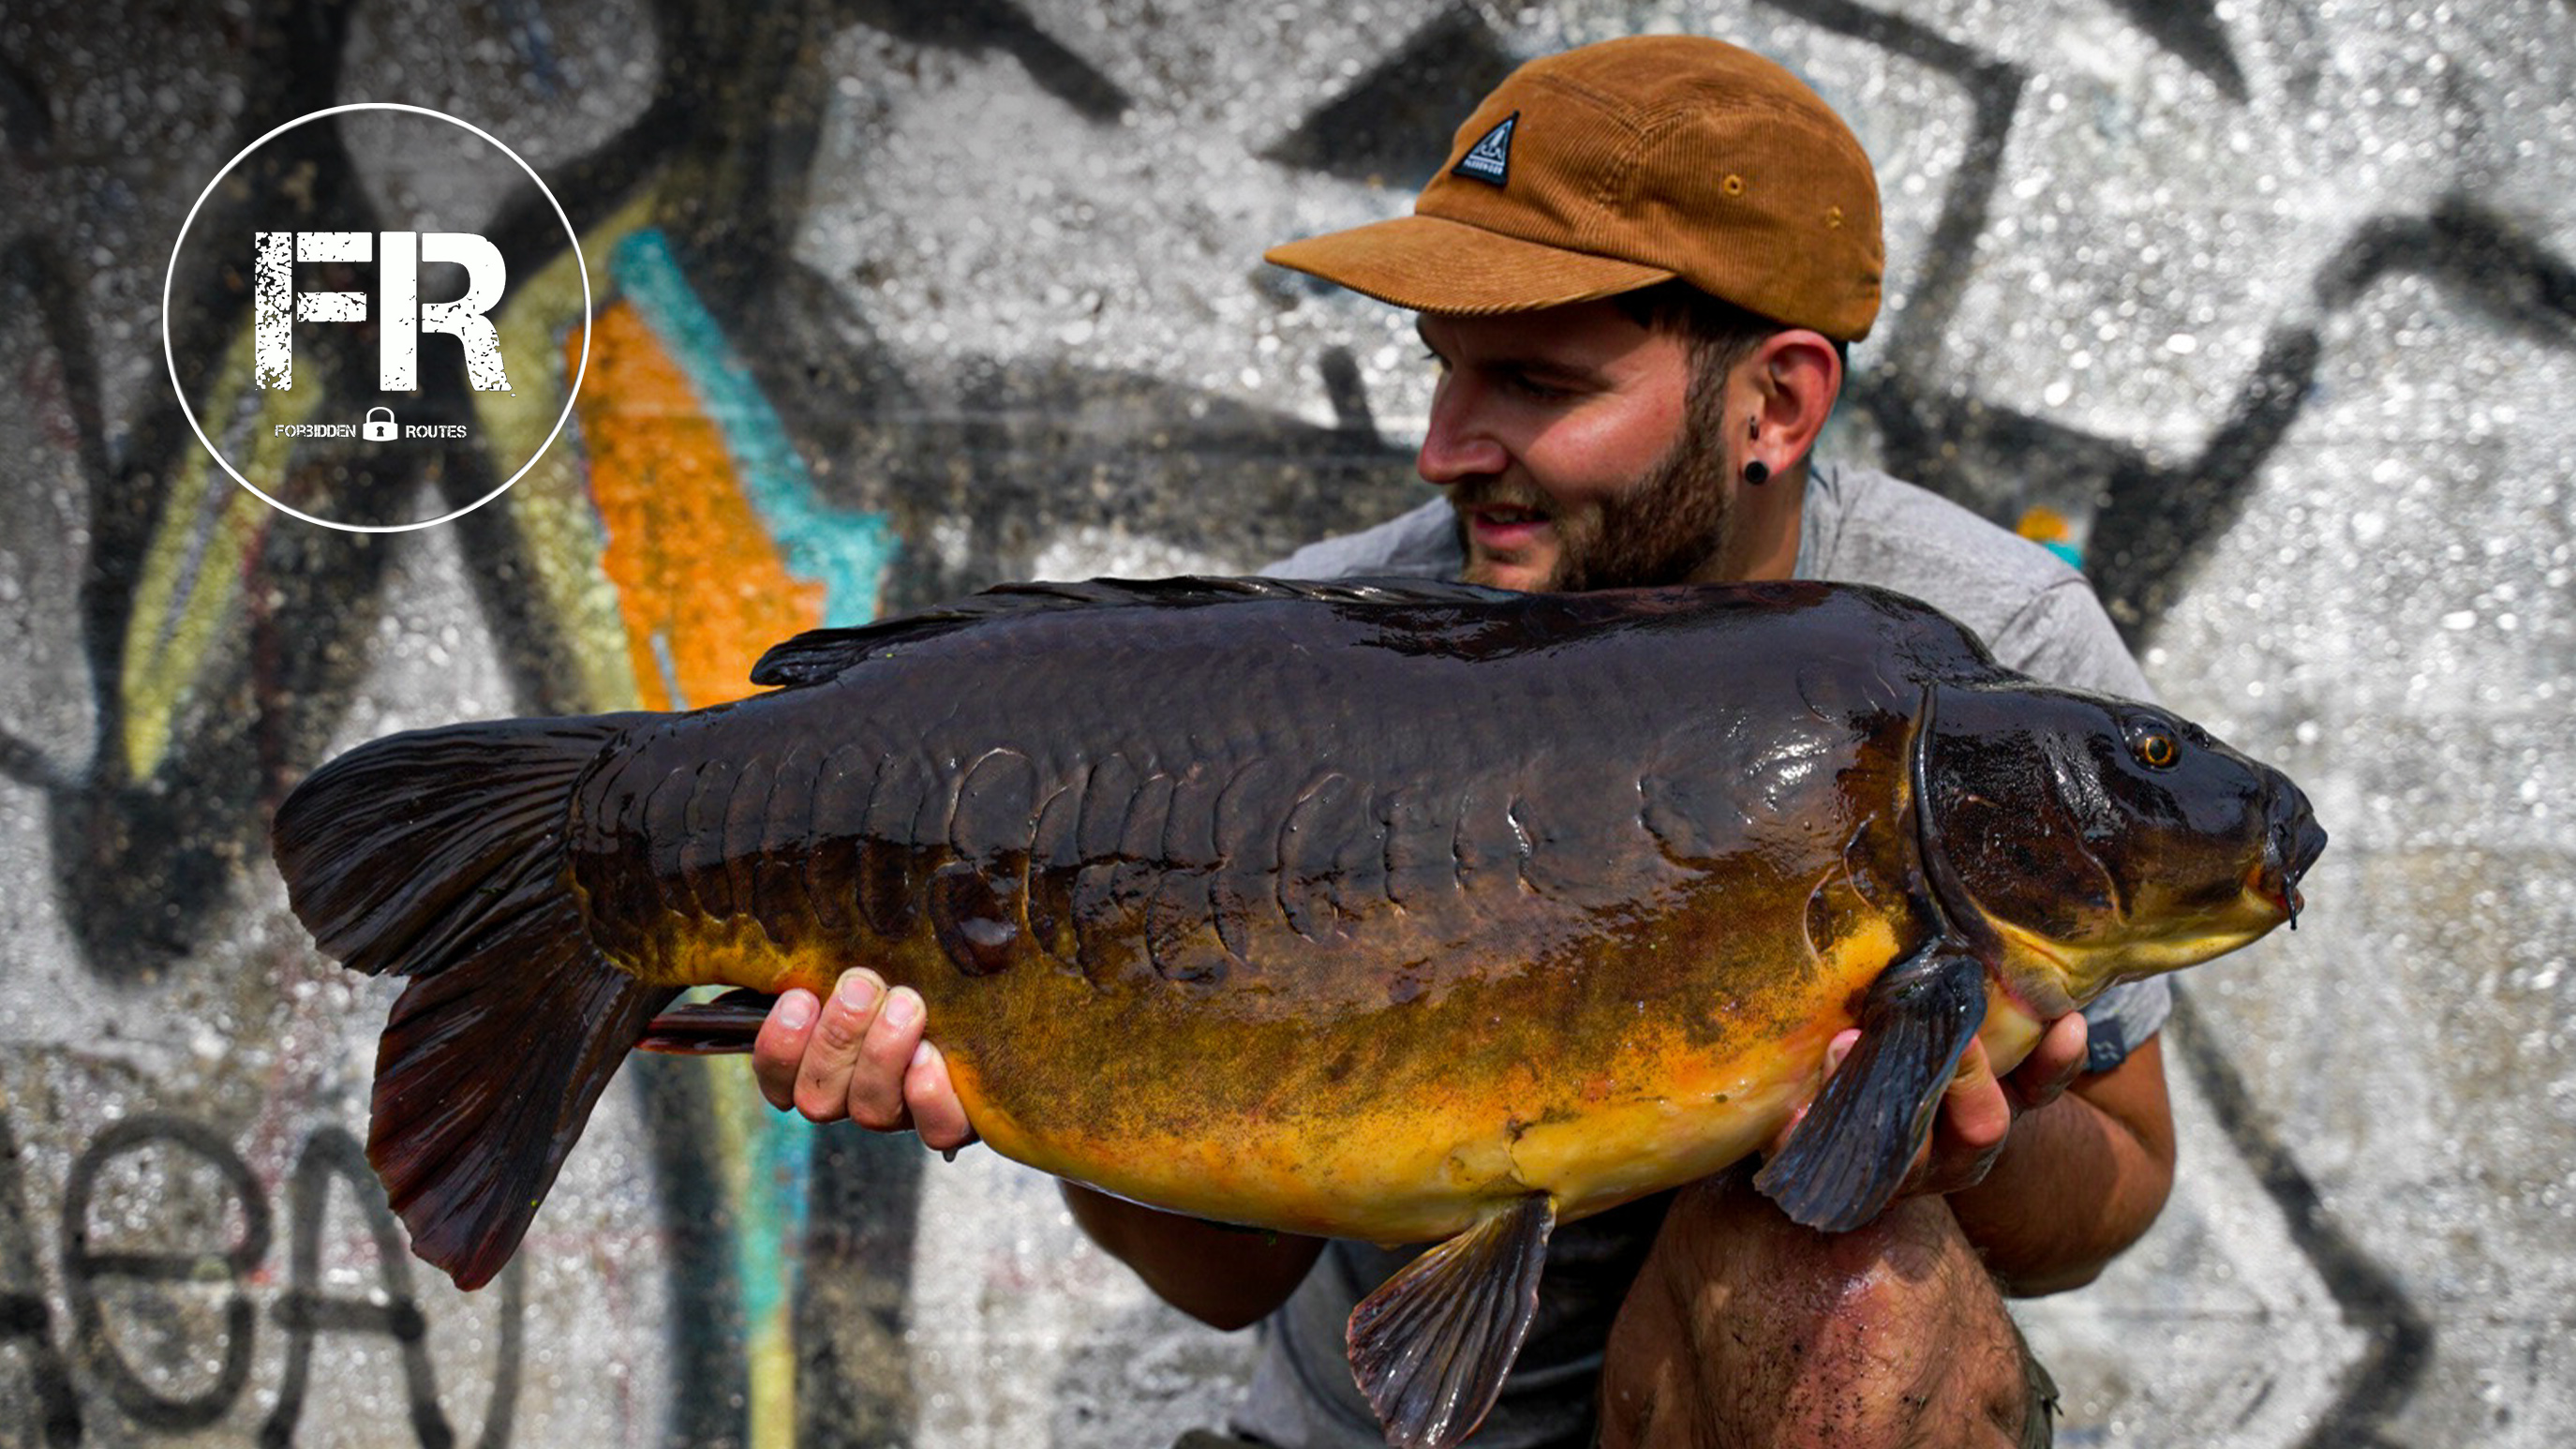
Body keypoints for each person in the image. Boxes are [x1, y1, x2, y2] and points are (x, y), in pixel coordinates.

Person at [752, 35, 2176, 1448]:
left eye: (1538, 385)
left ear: (1777, 401)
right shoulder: (1305, 663)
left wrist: (1946, 1123)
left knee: (1846, 1290)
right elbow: (1221, 1283)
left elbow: (2119, 1179)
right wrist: (1017, 1058)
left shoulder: (1989, 663)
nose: (1444, 448)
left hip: (1725, 1398)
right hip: (1368, 1423)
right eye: (1443, 369)